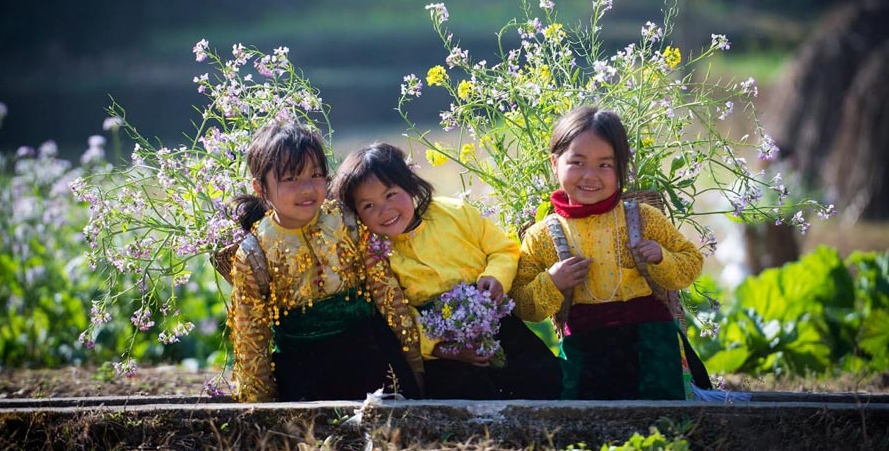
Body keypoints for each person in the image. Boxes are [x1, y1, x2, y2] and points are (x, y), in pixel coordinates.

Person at [332, 142, 562, 400]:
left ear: (409, 184)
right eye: (368, 206)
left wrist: (495, 278)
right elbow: (400, 316)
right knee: (460, 399)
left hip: (495, 321)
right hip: (444, 346)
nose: (385, 211)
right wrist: (443, 349)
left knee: (544, 377)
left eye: (390, 195)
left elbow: (503, 249)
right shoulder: (375, 255)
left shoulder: (454, 212)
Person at [511, 106, 703, 400]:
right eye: (577, 162)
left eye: (605, 165)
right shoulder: (542, 236)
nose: (590, 176)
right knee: (588, 422)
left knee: (667, 417)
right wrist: (552, 282)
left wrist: (662, 257)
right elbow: (523, 304)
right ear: (554, 163)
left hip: (652, 341)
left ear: (621, 168)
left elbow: (691, 264)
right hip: (586, 346)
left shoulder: (642, 218)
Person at [227, 122, 422, 402]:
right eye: (291, 178)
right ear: (260, 188)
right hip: (305, 369)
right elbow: (251, 339)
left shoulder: (347, 222)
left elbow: (387, 294)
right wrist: (260, 408)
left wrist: (414, 365)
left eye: (316, 174)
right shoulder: (255, 252)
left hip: (372, 354)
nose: (307, 188)